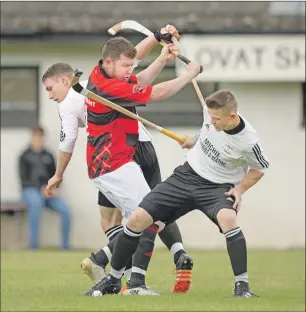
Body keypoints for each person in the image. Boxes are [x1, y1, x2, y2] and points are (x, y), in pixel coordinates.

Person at [42, 25, 200, 295]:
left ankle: (111, 276)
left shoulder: (99, 72)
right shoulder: (110, 87)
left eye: (130, 65)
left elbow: (135, 67)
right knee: (147, 216)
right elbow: (157, 93)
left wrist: (161, 54)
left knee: (146, 217)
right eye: (126, 65)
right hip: (111, 166)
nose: (131, 68)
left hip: (122, 161)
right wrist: (189, 74)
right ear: (109, 63)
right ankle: (131, 282)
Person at [86, 90, 270, 298]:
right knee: (138, 218)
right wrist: (194, 140)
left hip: (217, 187)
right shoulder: (211, 118)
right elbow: (206, 133)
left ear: (233, 116)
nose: (212, 121)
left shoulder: (249, 142)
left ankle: (242, 287)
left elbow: (259, 169)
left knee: (228, 219)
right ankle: (113, 279)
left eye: (217, 119)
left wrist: (240, 189)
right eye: (210, 117)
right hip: (186, 176)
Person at [18, 126, 71, 250]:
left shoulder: (48, 155)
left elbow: (56, 175)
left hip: (48, 193)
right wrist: (40, 189)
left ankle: (65, 247)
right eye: (35, 137)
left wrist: (53, 189)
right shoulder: (24, 156)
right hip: (30, 192)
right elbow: (23, 180)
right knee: (36, 202)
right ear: (32, 138)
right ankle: (34, 246)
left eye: (40, 137)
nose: (38, 140)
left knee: (65, 210)